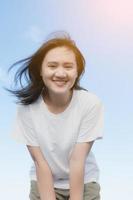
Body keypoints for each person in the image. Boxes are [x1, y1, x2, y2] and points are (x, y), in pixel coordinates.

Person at [7, 31, 104, 200]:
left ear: (77, 72)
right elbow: (40, 163)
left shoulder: (90, 103)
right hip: (44, 179)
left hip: (85, 180)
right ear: (40, 71)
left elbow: (77, 161)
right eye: (52, 66)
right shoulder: (26, 108)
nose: (60, 73)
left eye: (68, 66)